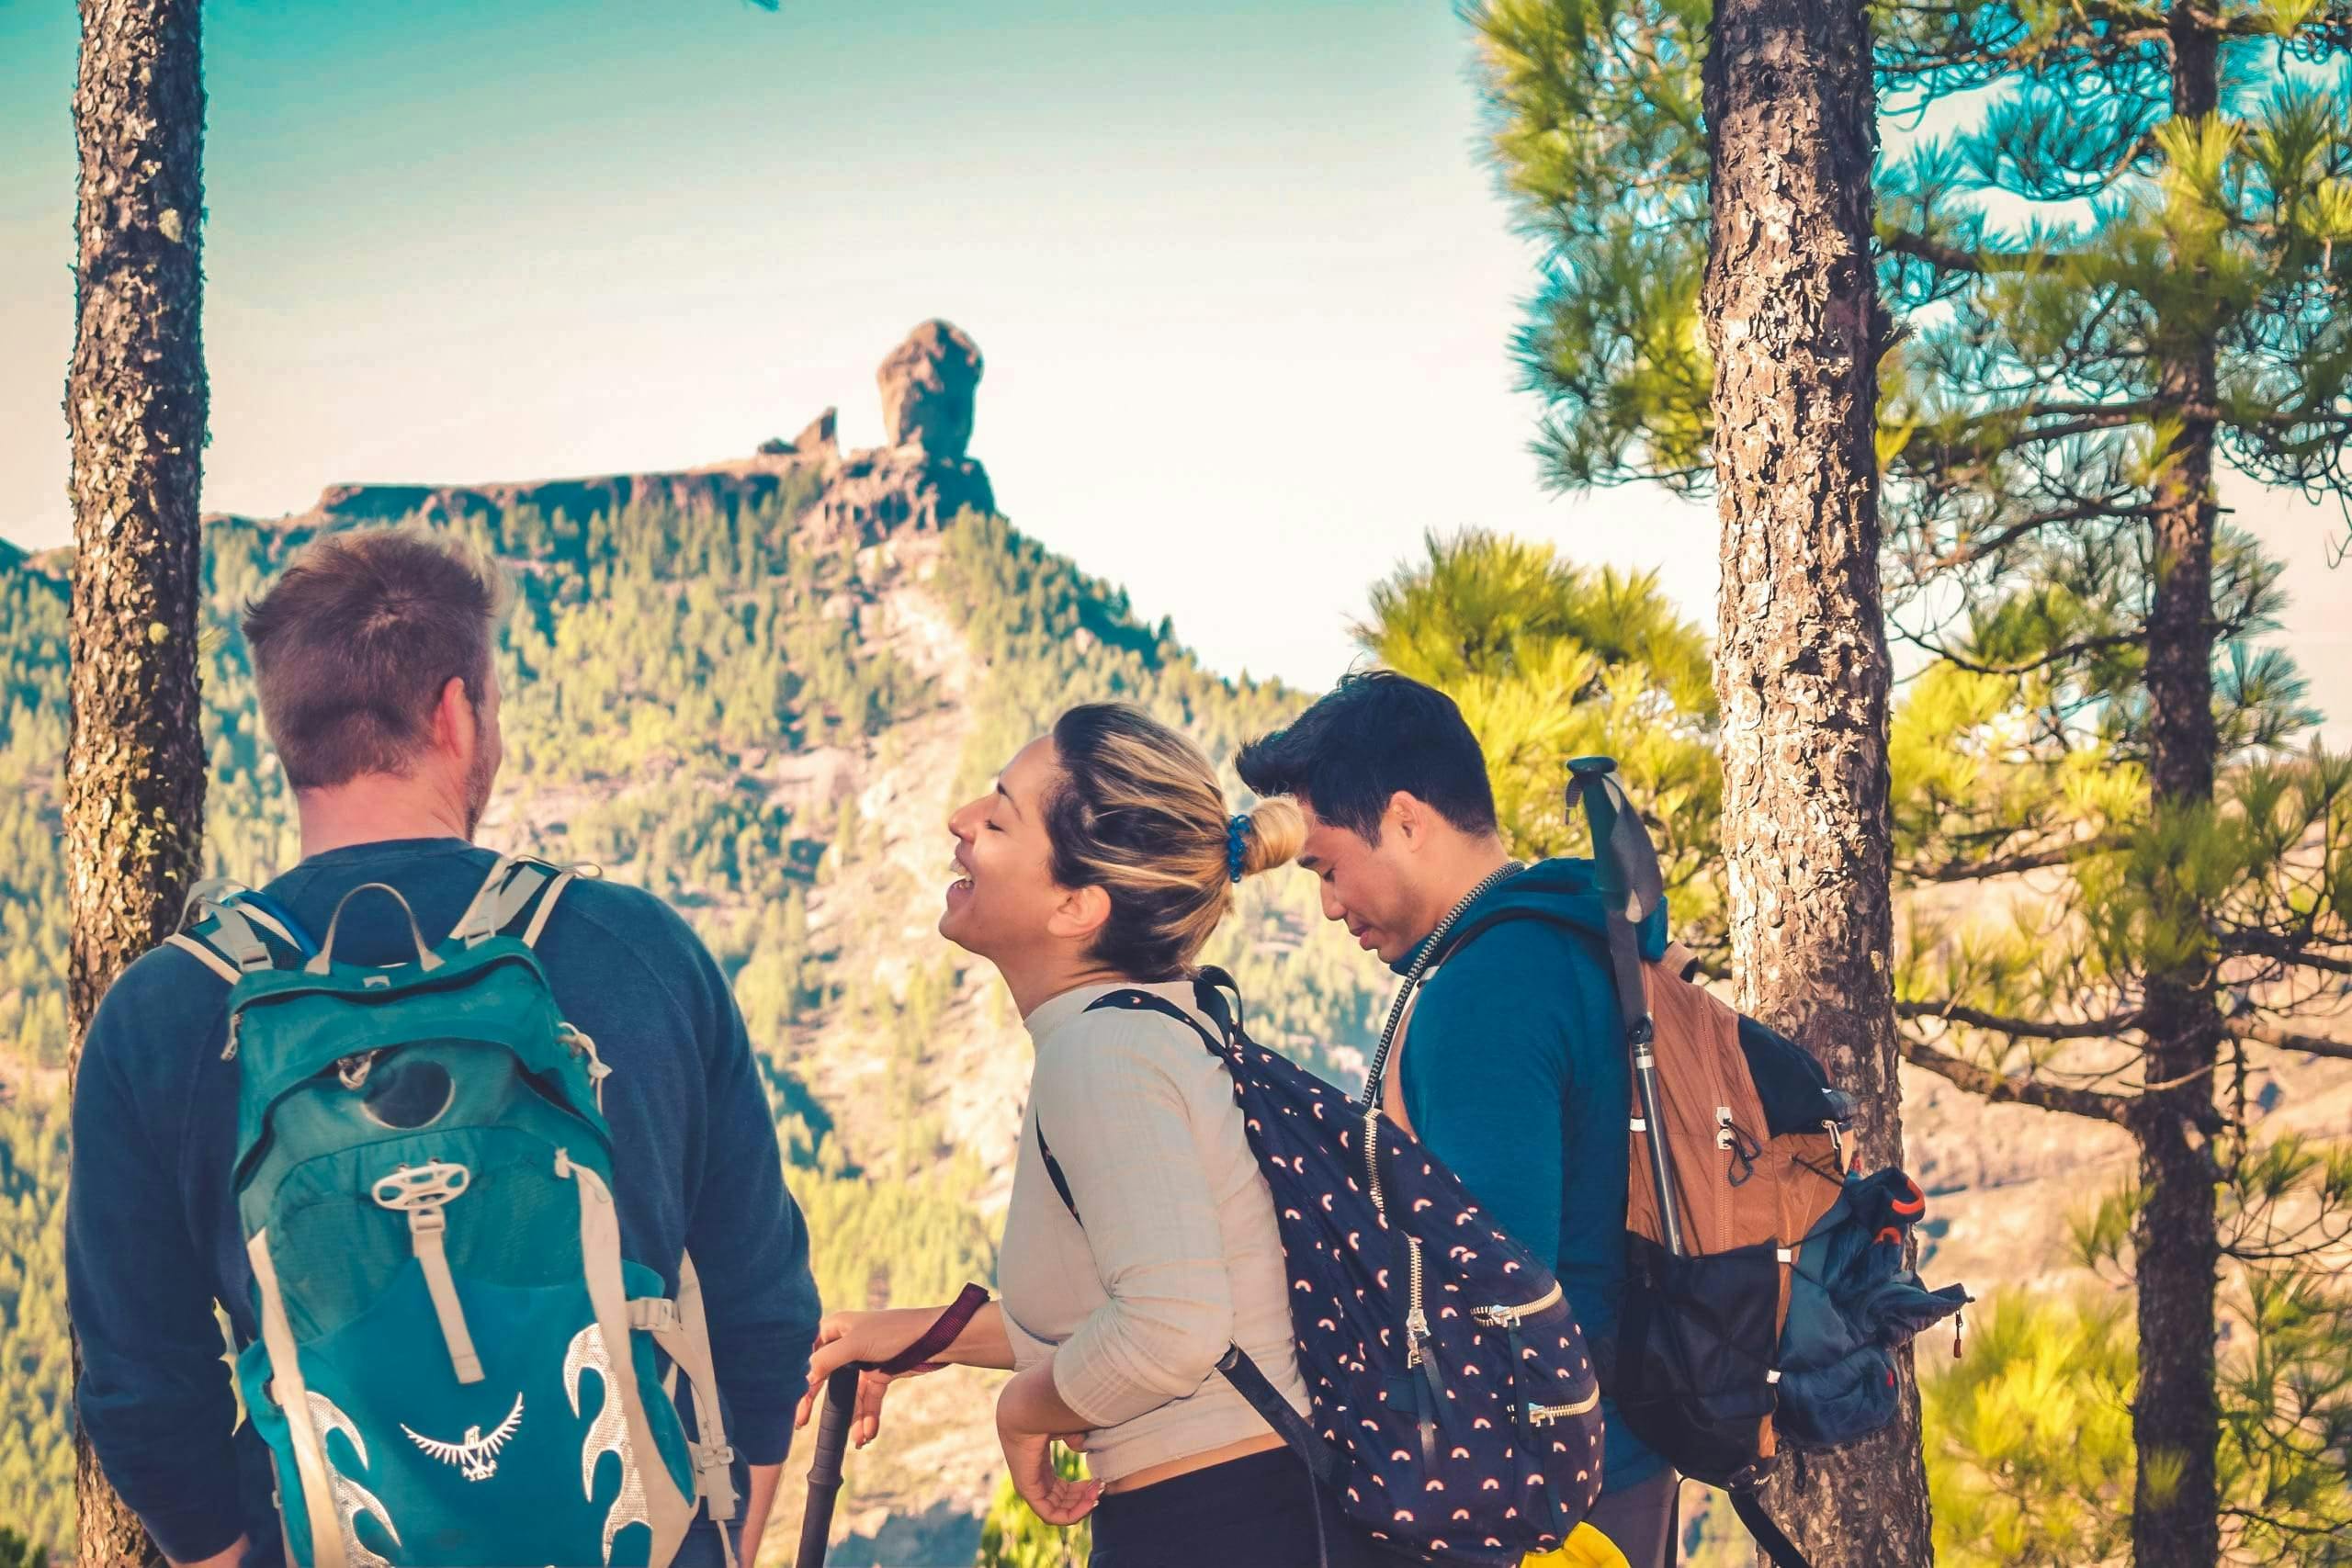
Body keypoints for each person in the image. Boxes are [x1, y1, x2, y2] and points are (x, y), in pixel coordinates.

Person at [65, 528, 820, 1568]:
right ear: (457, 714)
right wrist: (725, 1544)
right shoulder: (634, 950)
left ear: (286, 736)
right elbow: (765, 1311)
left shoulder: (165, 1011)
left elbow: (140, 1391)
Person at [794, 702, 1378, 1568]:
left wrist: (1022, 1409)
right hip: (1246, 1510)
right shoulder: (1153, 1026)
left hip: (1212, 1527)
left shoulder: (1103, 1055)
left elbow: (1172, 1328)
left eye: (997, 817)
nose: (958, 821)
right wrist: (933, 1335)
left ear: (1076, 905)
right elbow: (1142, 1299)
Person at [1235, 670, 1681, 1568]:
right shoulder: (1578, 942)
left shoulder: (1483, 994)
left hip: (1545, 1505)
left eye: (1326, 867)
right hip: (1630, 1464)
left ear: (1404, 819)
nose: (1326, 905)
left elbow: (1490, 1294)